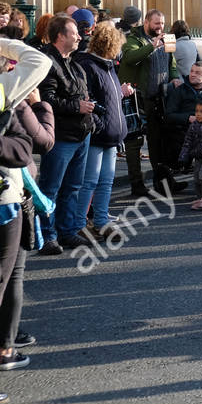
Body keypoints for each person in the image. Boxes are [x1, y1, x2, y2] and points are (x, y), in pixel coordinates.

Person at [0, 37, 54, 374]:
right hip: (7, 197)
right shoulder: (10, 93)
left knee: (13, 275)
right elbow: (38, 143)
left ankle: (6, 345)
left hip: (13, 194)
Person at [36, 15, 96, 254]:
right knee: (51, 187)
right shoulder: (47, 62)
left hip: (81, 134)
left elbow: (82, 94)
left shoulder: (74, 63)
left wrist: (88, 112)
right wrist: (77, 107)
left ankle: (67, 231)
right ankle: (47, 236)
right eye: (75, 33)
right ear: (61, 36)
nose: (80, 36)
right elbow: (46, 100)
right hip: (60, 136)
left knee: (73, 186)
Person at [72, 22, 130, 243]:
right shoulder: (89, 66)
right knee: (90, 181)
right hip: (99, 134)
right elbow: (91, 100)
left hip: (110, 134)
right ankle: (79, 224)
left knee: (105, 181)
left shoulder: (107, 66)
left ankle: (101, 221)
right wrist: (99, 124)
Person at [118, 8, 182, 195]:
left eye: (162, 24)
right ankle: (137, 185)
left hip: (158, 98)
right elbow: (130, 58)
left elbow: (172, 63)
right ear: (146, 23)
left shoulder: (167, 38)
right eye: (156, 24)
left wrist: (174, 77)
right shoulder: (133, 39)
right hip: (137, 98)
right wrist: (151, 46)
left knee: (158, 143)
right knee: (134, 142)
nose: (160, 27)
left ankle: (164, 184)